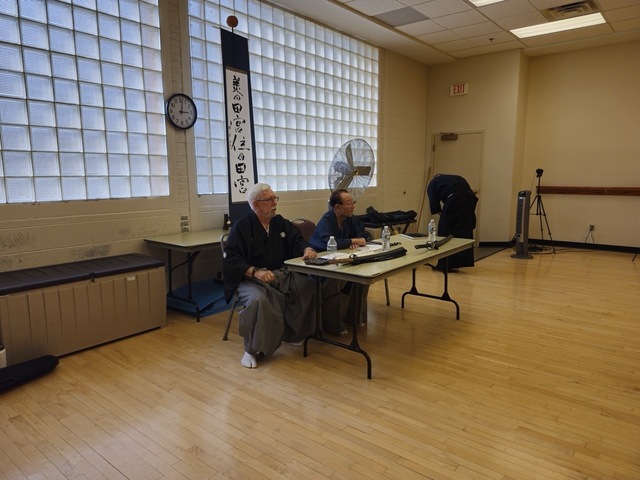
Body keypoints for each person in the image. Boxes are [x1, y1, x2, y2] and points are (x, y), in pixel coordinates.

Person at [222, 183, 318, 369]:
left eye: (275, 198)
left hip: (278, 274)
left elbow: (296, 240)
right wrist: (255, 272)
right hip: (250, 279)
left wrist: (307, 248)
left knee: (307, 285)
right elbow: (231, 259)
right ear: (256, 205)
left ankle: (293, 334)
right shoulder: (242, 226)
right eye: (269, 200)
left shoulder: (279, 222)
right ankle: (250, 349)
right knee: (258, 301)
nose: (275, 203)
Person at [308, 189, 369, 335]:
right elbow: (327, 243)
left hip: (343, 259)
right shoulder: (326, 220)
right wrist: (352, 241)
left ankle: (353, 317)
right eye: (348, 203)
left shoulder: (350, 218)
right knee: (334, 280)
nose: (352, 206)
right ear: (337, 207)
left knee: (362, 277)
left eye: (353, 202)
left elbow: (362, 234)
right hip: (321, 264)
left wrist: (355, 241)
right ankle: (333, 324)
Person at [426, 173, 479, 271]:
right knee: (464, 230)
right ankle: (460, 262)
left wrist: (444, 216)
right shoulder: (457, 177)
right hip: (469, 199)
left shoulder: (433, 183)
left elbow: (434, 205)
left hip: (454, 198)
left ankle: (445, 264)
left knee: (445, 231)